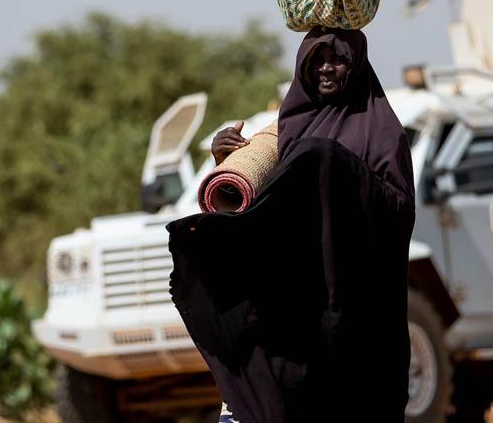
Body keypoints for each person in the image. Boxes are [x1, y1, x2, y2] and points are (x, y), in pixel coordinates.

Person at [167, 27, 415, 423]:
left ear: (357, 65)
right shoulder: (291, 129)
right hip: (292, 318)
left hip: (357, 317)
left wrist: (337, 168)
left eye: (336, 59)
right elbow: (263, 218)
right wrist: (224, 163)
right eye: (314, 61)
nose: (325, 69)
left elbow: (399, 213)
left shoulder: (382, 132)